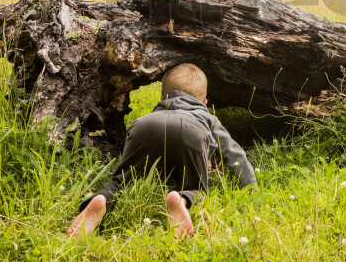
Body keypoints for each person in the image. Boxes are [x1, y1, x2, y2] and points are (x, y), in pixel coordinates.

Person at [67, 63, 257, 238]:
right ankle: (181, 198)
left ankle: (103, 199)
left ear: (162, 97)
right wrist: (250, 186)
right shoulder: (206, 117)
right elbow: (233, 152)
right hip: (192, 130)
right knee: (195, 187)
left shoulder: (157, 110)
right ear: (204, 102)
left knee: (121, 181)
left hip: (145, 126)